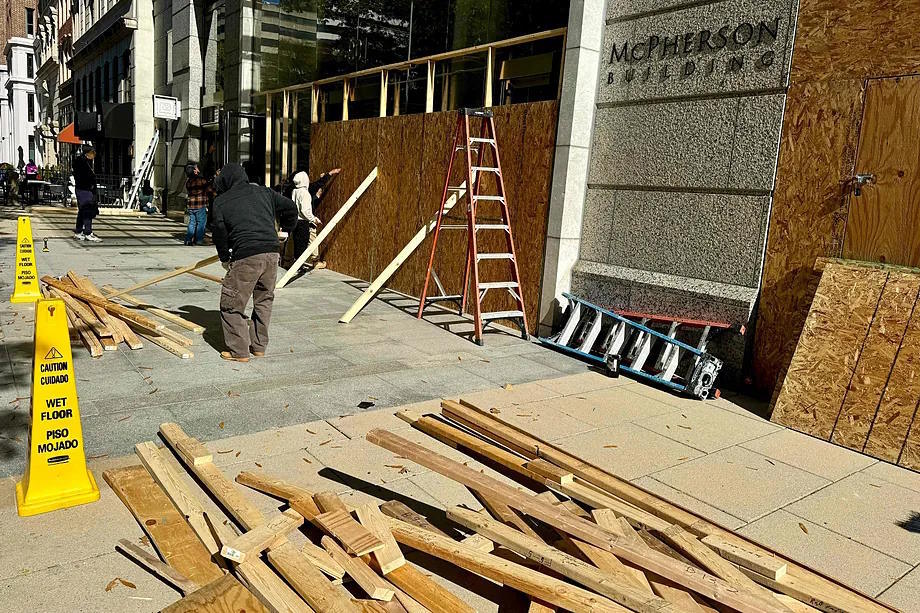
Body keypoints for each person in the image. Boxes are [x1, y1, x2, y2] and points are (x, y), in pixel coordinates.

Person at [211, 162, 298, 362]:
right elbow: (291, 208)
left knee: (231, 304)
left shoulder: (222, 201)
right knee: (264, 300)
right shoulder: (265, 193)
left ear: (226, 180)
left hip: (246, 256)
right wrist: (286, 229)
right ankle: (258, 347)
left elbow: (219, 233)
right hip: (271, 254)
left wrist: (225, 258)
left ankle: (239, 351)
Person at [290, 171, 326, 271]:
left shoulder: (295, 191)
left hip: (297, 220)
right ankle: (300, 266)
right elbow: (305, 210)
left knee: (298, 243)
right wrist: (313, 218)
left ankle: (297, 263)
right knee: (303, 244)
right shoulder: (305, 193)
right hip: (304, 222)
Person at [72, 147, 101, 242]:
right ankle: (88, 232)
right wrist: (90, 185)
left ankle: (78, 231)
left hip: (84, 189)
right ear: (88, 154)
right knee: (87, 210)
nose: (94, 156)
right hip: (84, 189)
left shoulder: (85, 163)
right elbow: (84, 177)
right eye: (93, 154)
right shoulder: (82, 163)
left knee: (82, 211)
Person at [184, 161, 213, 245]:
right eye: (195, 168)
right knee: (201, 222)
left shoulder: (188, 182)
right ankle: (199, 239)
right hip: (200, 205)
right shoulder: (201, 180)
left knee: (192, 222)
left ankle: (188, 239)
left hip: (191, 205)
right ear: (194, 171)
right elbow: (209, 189)